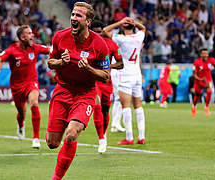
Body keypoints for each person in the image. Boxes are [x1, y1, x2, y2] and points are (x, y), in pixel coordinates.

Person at [47, 2, 110, 179]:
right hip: (62, 91)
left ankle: (56, 178)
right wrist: (61, 62)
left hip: (85, 94)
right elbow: (50, 62)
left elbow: (105, 76)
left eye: (78, 16)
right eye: (73, 14)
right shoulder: (59, 37)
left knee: (72, 133)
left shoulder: (99, 44)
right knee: (52, 143)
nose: (73, 18)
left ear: (88, 21)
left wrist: (89, 69)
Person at [104, 17, 146, 145]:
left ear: (123, 27)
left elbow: (105, 31)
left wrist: (120, 22)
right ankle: (141, 137)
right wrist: (135, 23)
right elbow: (143, 28)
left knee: (126, 106)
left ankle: (129, 138)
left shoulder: (121, 39)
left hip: (125, 76)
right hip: (137, 75)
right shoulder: (139, 37)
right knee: (138, 106)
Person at [89, 20, 123, 153]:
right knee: (96, 105)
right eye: (95, 32)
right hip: (93, 81)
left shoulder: (111, 44)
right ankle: (101, 138)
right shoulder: (87, 44)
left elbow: (121, 64)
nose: (98, 34)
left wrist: (109, 66)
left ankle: (104, 135)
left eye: (100, 31)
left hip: (106, 82)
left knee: (105, 110)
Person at [191, 48, 215, 117]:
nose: (205, 55)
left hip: (207, 80)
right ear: (201, 55)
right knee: (197, 95)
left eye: (206, 54)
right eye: (203, 54)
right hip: (199, 81)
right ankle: (194, 106)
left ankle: (206, 107)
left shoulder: (212, 60)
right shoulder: (196, 62)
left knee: (209, 91)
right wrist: (200, 79)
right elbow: (194, 75)